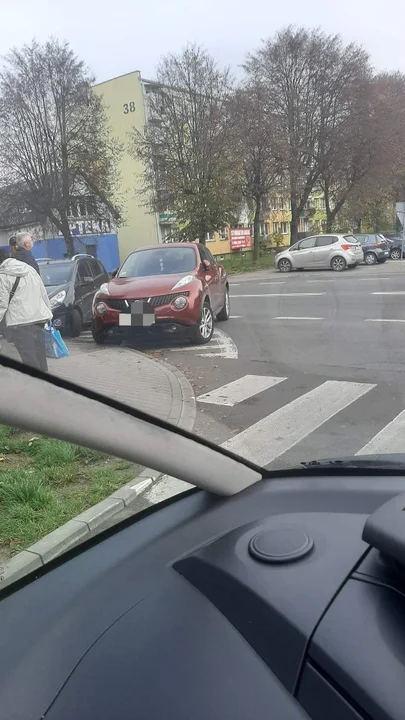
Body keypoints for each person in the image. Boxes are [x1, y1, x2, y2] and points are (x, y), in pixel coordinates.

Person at [0, 255, 52, 372]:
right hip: (39, 319)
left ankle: (37, 385)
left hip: (20, 323)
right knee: (40, 354)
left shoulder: (3, 276)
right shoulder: (30, 270)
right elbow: (42, 293)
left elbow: (1, 304)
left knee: (28, 356)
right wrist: (48, 312)